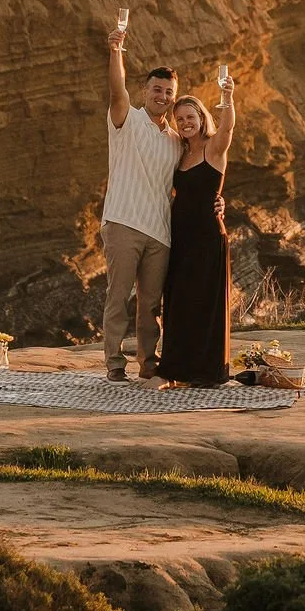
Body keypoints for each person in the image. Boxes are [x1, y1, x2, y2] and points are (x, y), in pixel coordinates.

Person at [101, 21, 180, 381]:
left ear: (173, 98)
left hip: (160, 232)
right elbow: (117, 90)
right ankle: (115, 364)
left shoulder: (177, 140)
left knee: (150, 305)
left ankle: (149, 364)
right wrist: (116, 51)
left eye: (168, 92)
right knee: (118, 297)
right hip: (122, 221)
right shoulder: (126, 119)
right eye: (156, 89)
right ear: (144, 90)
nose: (162, 96)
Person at [155, 79, 237, 388]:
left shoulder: (214, 148)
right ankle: (175, 371)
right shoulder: (180, 151)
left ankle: (205, 372)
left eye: (191, 117)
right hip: (179, 237)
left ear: (202, 118)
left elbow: (228, 129)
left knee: (204, 304)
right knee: (177, 302)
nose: (186, 123)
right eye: (181, 119)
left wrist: (227, 97)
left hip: (206, 237)